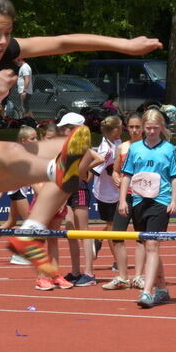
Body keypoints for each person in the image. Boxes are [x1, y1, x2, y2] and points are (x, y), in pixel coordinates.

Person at [0, 0, 161, 279]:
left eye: (8, 33)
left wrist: (123, 45)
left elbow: (63, 42)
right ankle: (55, 169)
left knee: (80, 150)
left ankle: (30, 232)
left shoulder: (6, 51)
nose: (2, 41)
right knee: (21, 153)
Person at [118, 108, 176, 308]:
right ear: (144, 128)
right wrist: (122, 200)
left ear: (161, 127)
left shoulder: (169, 149)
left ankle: (147, 292)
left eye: (155, 128)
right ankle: (162, 289)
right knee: (148, 245)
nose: (152, 132)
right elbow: (126, 174)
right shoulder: (135, 149)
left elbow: (175, 176)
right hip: (138, 201)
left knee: (153, 244)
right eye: (149, 128)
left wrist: (174, 200)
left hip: (161, 201)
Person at [0, 126, 35, 263]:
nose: (36, 140)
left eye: (36, 138)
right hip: (18, 191)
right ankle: (18, 254)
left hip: (18, 191)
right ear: (23, 140)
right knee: (31, 224)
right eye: (33, 138)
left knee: (12, 222)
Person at [102, 113, 146, 290]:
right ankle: (122, 276)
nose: (134, 130)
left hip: (143, 197)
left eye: (138, 127)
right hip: (125, 197)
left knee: (141, 237)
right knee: (117, 235)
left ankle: (139, 276)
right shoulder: (122, 148)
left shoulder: (148, 147)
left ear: (143, 127)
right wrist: (115, 177)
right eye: (132, 127)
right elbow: (115, 170)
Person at [60, 113, 104, 286]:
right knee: (70, 231)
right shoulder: (64, 147)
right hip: (65, 190)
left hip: (78, 189)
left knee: (84, 231)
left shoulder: (83, 149)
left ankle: (89, 273)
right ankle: (75, 270)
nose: (64, 131)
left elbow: (76, 172)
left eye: (68, 128)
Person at [90, 115, 123, 270]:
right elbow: (95, 170)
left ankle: (98, 240)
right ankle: (117, 260)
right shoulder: (106, 150)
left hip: (117, 190)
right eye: (121, 126)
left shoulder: (118, 142)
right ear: (115, 130)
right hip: (106, 193)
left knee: (114, 225)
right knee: (112, 226)